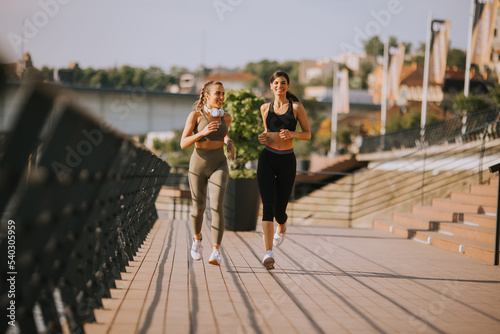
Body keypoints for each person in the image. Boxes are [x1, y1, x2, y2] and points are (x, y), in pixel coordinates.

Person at [257, 70, 311, 270]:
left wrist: (292, 134)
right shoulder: (265, 108)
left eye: (283, 83)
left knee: (280, 211)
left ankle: (282, 225)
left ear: (288, 86)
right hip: (267, 158)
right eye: (276, 83)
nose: (279, 86)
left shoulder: (296, 107)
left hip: (287, 160)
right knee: (267, 207)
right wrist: (262, 138)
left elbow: (307, 134)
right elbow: (266, 133)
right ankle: (268, 252)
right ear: (271, 86)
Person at [180, 80, 235, 266]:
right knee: (198, 208)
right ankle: (197, 241)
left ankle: (216, 250)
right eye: (218, 93)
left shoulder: (226, 118)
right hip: (198, 164)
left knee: (217, 206)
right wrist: (202, 132)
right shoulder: (195, 116)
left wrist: (228, 141)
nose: (221, 97)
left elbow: (224, 134)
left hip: (219, 162)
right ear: (207, 96)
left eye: (223, 93)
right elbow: (183, 143)